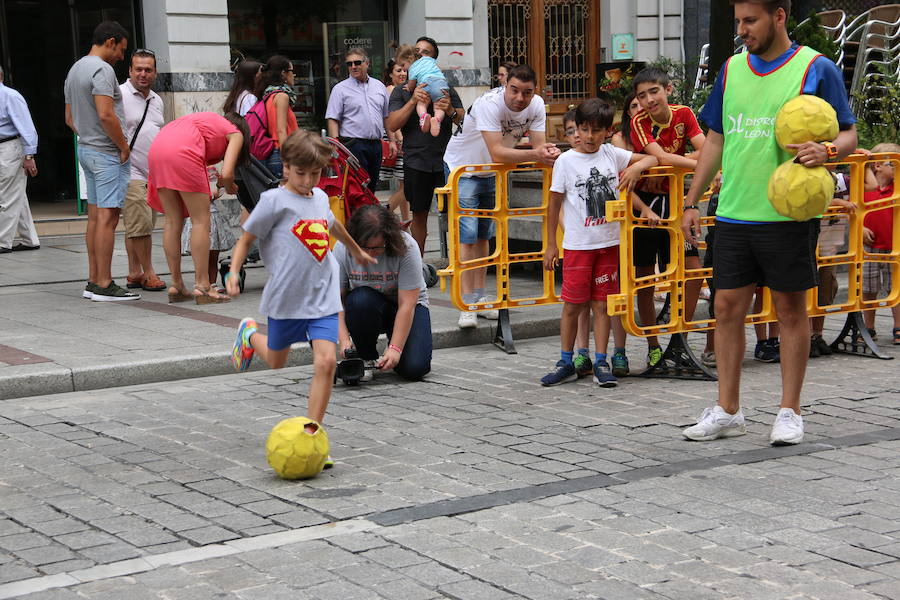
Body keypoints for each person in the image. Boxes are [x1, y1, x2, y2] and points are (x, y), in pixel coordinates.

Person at [681, 0, 857, 445]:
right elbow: (716, 139)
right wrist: (691, 202)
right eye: (738, 21)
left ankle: (789, 412)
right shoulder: (732, 69)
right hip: (734, 210)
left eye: (750, 21)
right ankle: (727, 409)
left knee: (790, 312)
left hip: (788, 214)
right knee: (725, 309)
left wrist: (829, 151)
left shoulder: (815, 68)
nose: (742, 29)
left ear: (779, 16)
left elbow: (849, 133)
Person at [227, 130, 375, 467]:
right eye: (300, 173)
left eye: (316, 173)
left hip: (322, 297)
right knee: (277, 360)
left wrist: (356, 251)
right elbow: (247, 238)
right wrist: (234, 270)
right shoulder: (274, 202)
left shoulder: (320, 198)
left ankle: (314, 438)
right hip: (287, 299)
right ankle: (249, 334)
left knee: (325, 362)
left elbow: (334, 225)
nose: (308, 180)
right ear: (286, 168)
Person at [541, 98, 657, 387]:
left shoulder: (610, 154)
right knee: (572, 305)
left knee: (602, 304)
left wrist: (635, 169)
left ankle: (602, 360)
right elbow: (553, 205)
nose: (589, 137)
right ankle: (566, 360)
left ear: (608, 131)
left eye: (596, 130)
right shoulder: (565, 161)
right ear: (576, 129)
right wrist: (551, 245)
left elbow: (653, 158)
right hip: (578, 246)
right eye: (584, 129)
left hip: (608, 244)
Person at [443, 64, 560, 328]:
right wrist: (537, 154)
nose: (520, 98)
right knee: (468, 236)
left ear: (535, 92)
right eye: (514, 90)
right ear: (505, 86)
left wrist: (550, 153)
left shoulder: (537, 105)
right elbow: (498, 151)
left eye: (527, 93)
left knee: (485, 235)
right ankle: (466, 303)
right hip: (463, 169)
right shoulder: (489, 104)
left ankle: (479, 297)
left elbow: (540, 147)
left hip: (492, 172)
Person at [629, 67, 706, 369]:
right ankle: (653, 345)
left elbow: (707, 148)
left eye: (654, 92)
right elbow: (659, 156)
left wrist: (681, 165)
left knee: (693, 271)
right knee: (646, 277)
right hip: (646, 202)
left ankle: (680, 335)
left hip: (679, 200)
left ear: (668, 90)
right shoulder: (638, 122)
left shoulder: (685, 113)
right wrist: (694, 165)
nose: (648, 100)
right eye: (641, 95)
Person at [64, 20, 139, 301]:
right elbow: (107, 114)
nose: (121, 56)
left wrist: (89, 135)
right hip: (106, 153)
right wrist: (122, 147)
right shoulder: (102, 70)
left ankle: (93, 280)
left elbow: (69, 119)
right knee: (109, 217)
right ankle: (105, 283)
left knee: (96, 217)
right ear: (111, 41)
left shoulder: (75, 69)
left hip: (86, 149)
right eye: (121, 49)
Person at [147, 112, 250, 304]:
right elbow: (227, 174)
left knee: (172, 221)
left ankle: (176, 285)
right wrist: (230, 186)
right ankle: (203, 286)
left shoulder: (206, 121)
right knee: (201, 221)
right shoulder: (235, 133)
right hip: (184, 152)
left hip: (157, 149)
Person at [385, 38, 464, 256]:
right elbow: (391, 124)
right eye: (417, 51)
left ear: (432, 60)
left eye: (426, 52)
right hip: (417, 161)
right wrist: (412, 101)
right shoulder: (402, 91)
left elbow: (462, 119)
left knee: (454, 214)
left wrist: (449, 111)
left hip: (446, 161)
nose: (420, 55)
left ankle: (456, 261)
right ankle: (417, 266)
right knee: (418, 214)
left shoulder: (444, 86)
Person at [336, 204, 432, 381]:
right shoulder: (342, 248)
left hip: (404, 307)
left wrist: (395, 348)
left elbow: (407, 304)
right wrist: (343, 340)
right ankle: (365, 356)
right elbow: (336, 300)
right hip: (367, 307)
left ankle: (395, 344)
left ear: (388, 239)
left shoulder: (407, 247)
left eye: (377, 248)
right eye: (364, 247)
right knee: (360, 300)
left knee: (414, 368)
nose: (370, 254)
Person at [120, 49, 166, 293]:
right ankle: (149, 273)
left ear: (155, 72)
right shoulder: (119, 94)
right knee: (141, 225)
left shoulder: (157, 100)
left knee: (140, 223)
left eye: (148, 69)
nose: (143, 74)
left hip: (153, 173)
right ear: (129, 70)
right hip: (129, 171)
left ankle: (133, 272)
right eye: (138, 69)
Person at [325, 48, 393, 191]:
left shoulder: (379, 86)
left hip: (376, 144)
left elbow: (386, 116)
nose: (353, 66)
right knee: (357, 187)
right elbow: (332, 118)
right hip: (353, 144)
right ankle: (358, 213)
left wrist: (392, 141)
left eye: (357, 62)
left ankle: (368, 213)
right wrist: (336, 144)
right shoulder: (340, 89)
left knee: (372, 186)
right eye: (349, 64)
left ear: (367, 63)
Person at [862, 143, 900, 345]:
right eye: (892, 163)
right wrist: (859, 228)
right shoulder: (863, 186)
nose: (897, 168)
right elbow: (854, 210)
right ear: (877, 166)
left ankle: (898, 325)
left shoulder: (898, 187)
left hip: (895, 245)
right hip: (870, 247)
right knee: (868, 288)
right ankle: (868, 326)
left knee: (896, 288)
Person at [0, 65, 40, 254]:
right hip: (4, 147)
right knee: (15, 194)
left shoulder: (10, 96)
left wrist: (29, 155)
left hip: (9, 147)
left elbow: (27, 127)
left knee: (7, 195)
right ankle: (29, 239)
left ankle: (2, 241)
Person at [255, 55, 299, 178]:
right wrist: (286, 161)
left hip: (274, 153)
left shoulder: (269, 94)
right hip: (282, 152)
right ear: (283, 73)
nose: (293, 75)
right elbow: (281, 130)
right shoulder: (282, 96)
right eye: (292, 71)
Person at [395, 44, 449, 137]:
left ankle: (423, 116)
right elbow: (438, 69)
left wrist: (408, 87)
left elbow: (412, 85)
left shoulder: (413, 68)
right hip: (441, 83)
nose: (404, 69)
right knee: (438, 107)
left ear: (409, 59)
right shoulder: (428, 59)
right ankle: (437, 119)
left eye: (403, 65)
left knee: (421, 103)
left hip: (426, 83)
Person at [380, 59, 409, 224]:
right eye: (398, 71)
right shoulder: (391, 90)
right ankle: (384, 214)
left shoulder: (398, 89)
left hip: (397, 138)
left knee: (403, 184)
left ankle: (405, 222)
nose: (403, 73)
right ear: (390, 74)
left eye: (404, 70)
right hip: (398, 139)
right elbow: (392, 118)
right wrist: (400, 139)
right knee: (408, 185)